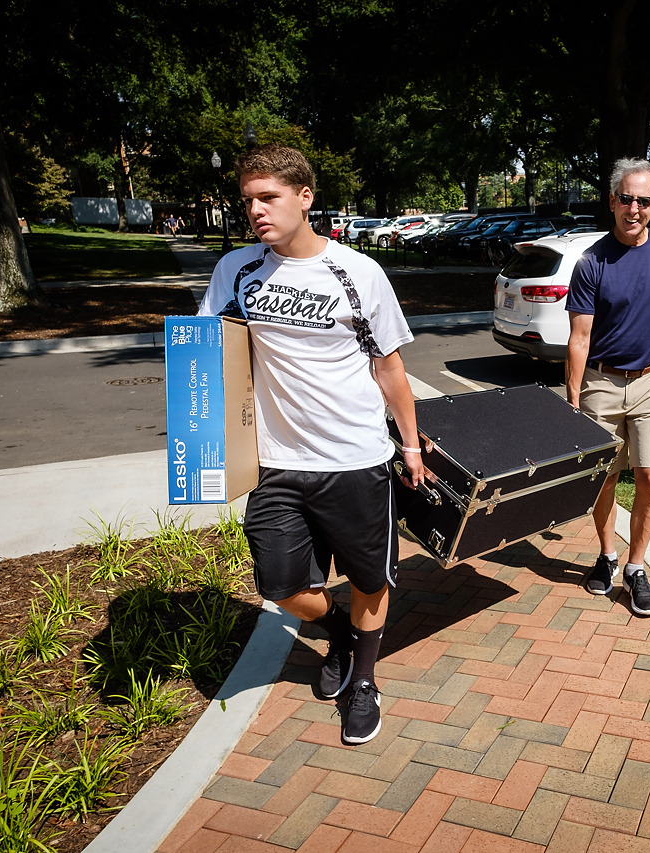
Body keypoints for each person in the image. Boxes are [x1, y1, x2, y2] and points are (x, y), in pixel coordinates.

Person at [196, 144, 425, 745]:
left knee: (370, 581)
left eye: (268, 197)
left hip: (353, 456)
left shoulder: (357, 272)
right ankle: (342, 637)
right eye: (248, 201)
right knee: (280, 585)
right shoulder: (236, 271)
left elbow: (389, 368)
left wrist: (411, 445)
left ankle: (365, 682)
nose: (256, 211)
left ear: (305, 198)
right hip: (274, 461)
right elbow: (207, 353)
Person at [565, 157, 650, 617]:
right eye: (626, 199)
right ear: (612, 202)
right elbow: (579, 338)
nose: (633, 208)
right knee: (604, 480)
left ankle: (636, 569)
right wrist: (574, 399)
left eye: (643, 200)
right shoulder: (592, 262)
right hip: (601, 383)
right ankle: (606, 554)